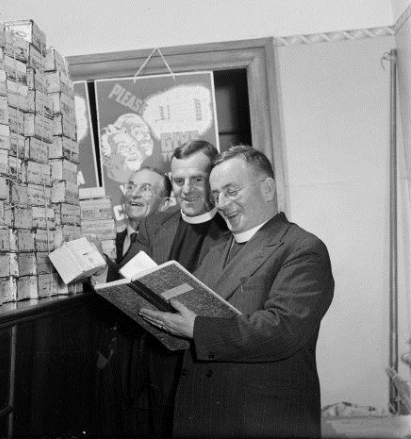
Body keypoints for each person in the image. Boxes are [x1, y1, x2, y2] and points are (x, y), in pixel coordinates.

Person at [139, 145, 335, 438]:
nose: (222, 203)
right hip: (205, 415)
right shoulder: (218, 248)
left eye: (231, 191)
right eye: (216, 194)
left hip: (262, 419)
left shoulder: (302, 248)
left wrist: (196, 328)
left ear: (267, 188)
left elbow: (282, 330)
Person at [93, 139, 229, 438]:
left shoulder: (231, 226)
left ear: (215, 179)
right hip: (159, 360)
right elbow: (125, 277)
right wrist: (103, 270)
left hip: (208, 361)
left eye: (198, 179)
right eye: (179, 181)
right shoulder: (155, 224)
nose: (187, 189)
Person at [114, 166, 172, 263]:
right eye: (130, 187)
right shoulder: (110, 242)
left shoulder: (172, 245)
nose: (134, 194)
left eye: (146, 189)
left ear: (164, 204)